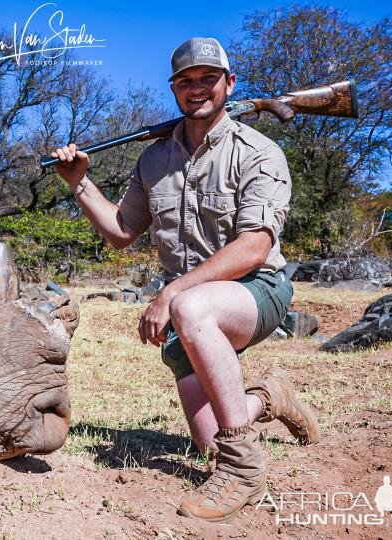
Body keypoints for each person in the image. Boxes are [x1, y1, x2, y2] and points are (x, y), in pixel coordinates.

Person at [50, 37, 320, 523]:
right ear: (174, 89)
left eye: (208, 78)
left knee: (191, 309)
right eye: (186, 81)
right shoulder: (154, 159)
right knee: (207, 441)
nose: (197, 89)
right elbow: (122, 231)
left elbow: (255, 246)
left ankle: (244, 470)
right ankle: (267, 398)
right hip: (189, 311)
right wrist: (79, 182)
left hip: (257, 291)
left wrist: (173, 292)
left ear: (229, 84)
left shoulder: (259, 151)